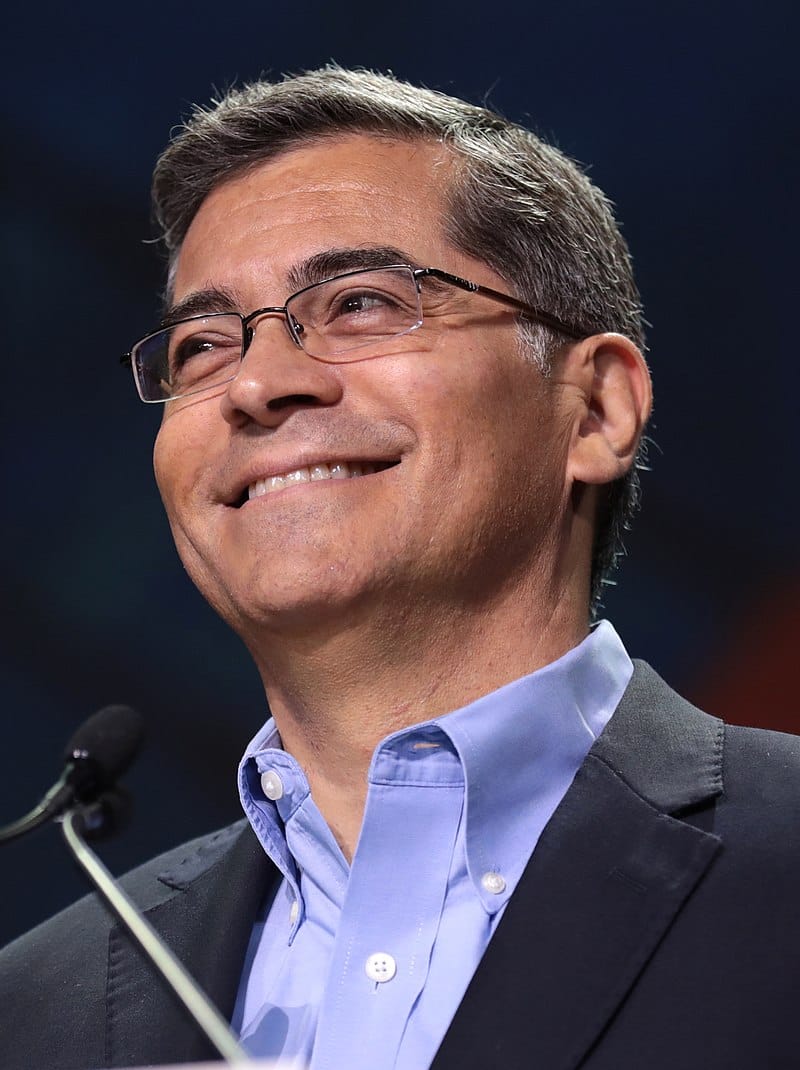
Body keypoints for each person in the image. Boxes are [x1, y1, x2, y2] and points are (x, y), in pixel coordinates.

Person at [1, 66, 798, 1070]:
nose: (256, 383)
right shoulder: (30, 1013)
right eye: (201, 346)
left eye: (361, 302)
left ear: (595, 409)